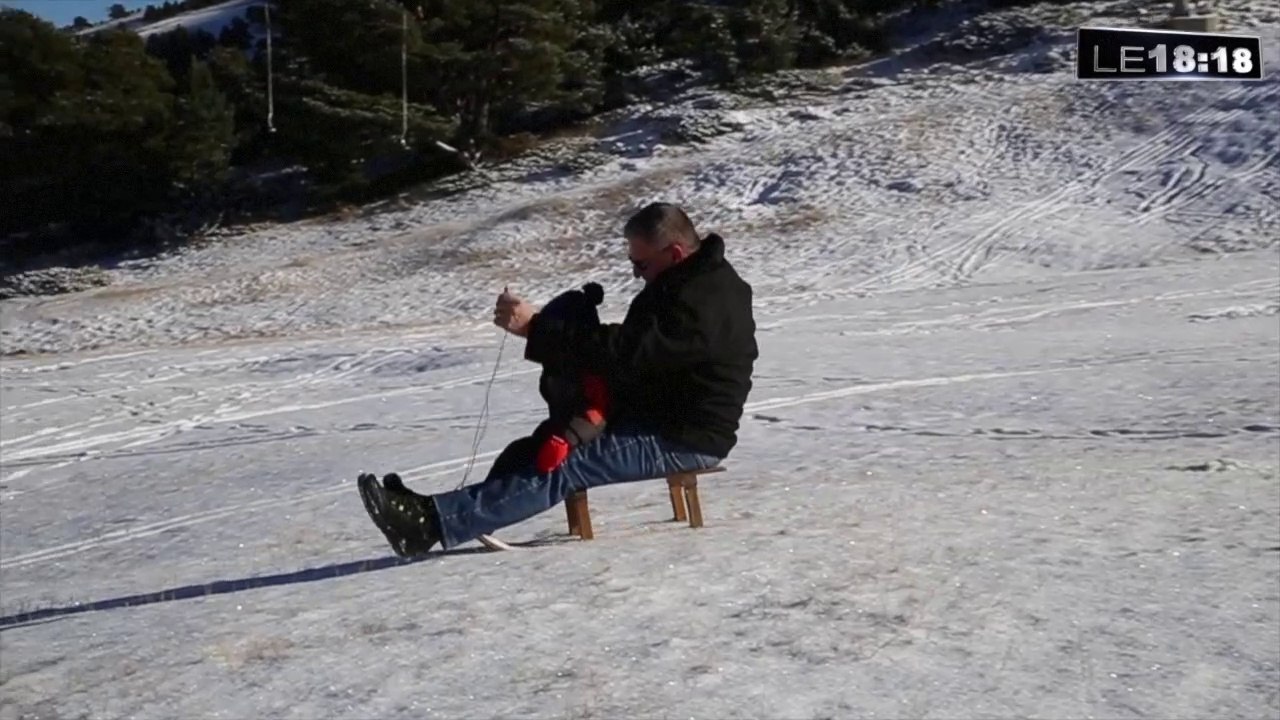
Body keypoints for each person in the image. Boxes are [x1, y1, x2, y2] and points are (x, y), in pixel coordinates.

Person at [357, 202, 758, 556]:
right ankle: (452, 509)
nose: (636, 275)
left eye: (641, 264)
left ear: (673, 252)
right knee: (534, 446)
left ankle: (428, 526)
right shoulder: (685, 283)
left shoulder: (706, 301)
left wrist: (538, 329)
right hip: (656, 418)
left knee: (567, 463)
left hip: (685, 437)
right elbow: (634, 350)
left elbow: (626, 351)